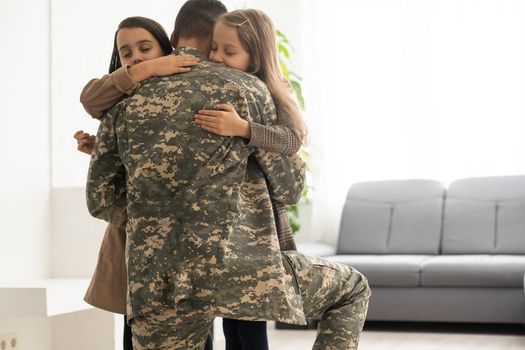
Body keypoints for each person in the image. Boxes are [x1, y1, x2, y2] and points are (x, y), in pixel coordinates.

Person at [85, 0, 307, 349]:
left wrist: (154, 220)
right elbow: (290, 188)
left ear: (172, 37)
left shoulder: (128, 98)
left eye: (228, 50)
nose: (217, 56)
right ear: (217, 32)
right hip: (240, 251)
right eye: (218, 45)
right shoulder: (250, 90)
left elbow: (100, 198)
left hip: (157, 261)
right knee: (245, 333)